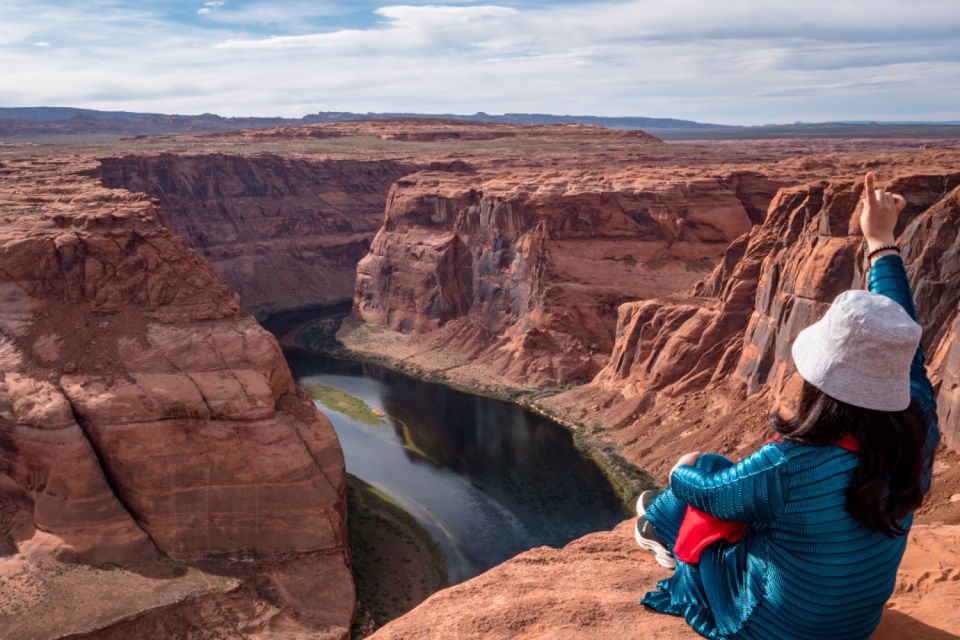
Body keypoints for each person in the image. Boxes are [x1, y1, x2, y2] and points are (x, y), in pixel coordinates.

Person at [633, 171, 941, 640]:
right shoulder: (917, 423)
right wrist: (881, 242)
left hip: (769, 627)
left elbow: (709, 494)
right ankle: (658, 522)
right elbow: (902, 329)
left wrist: (680, 469)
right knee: (742, 494)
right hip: (855, 626)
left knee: (701, 474)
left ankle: (655, 527)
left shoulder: (791, 463)